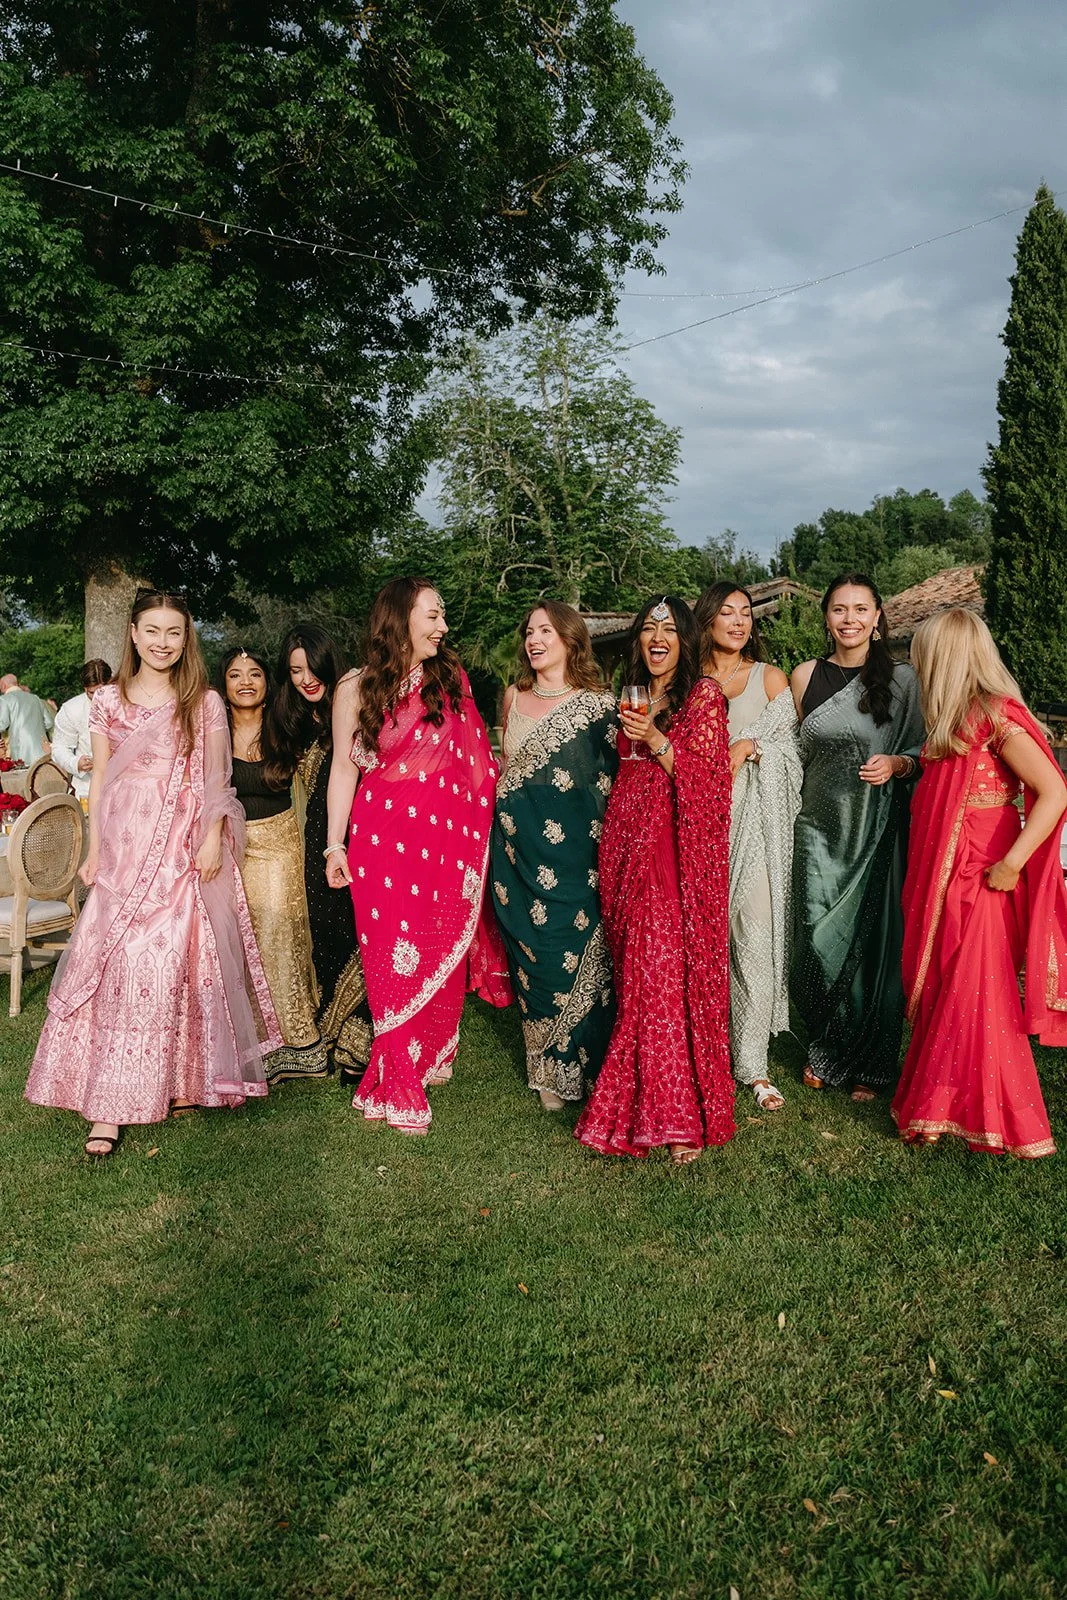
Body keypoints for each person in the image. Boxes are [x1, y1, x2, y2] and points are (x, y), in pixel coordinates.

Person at [25, 589, 279, 1156]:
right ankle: (107, 1108)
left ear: (185, 638)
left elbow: (218, 780)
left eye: (174, 632)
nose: (163, 643)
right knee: (115, 964)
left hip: (183, 846)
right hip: (124, 847)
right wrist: (93, 848)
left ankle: (182, 1081)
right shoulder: (108, 701)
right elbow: (103, 778)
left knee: (175, 961)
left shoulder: (203, 702)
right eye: (153, 631)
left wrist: (211, 839)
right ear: (134, 635)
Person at [325, 578, 499, 1135]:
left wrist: (481, 820)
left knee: (431, 946)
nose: (443, 626)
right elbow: (343, 770)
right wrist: (334, 844)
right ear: (400, 618)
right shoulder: (354, 687)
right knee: (390, 960)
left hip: (443, 844)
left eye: (443, 615)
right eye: (433, 615)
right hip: (379, 843)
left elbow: (475, 765)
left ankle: (428, 1053)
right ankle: (397, 1079)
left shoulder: (450, 682)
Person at [892, 609, 1066, 1158]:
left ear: (945, 659)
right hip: (949, 870)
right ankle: (946, 1103)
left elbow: (1054, 791)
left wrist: (1013, 862)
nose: (917, 664)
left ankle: (999, 1117)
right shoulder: (953, 718)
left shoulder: (995, 715)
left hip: (983, 874)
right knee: (952, 986)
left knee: (982, 993)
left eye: (924, 654)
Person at [575, 596, 734, 1165]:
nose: (657, 636)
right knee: (638, 978)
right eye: (648, 628)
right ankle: (644, 1101)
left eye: (669, 628)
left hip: (673, 851)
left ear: (687, 639)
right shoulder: (637, 696)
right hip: (626, 848)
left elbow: (709, 780)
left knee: (660, 976)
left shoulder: (703, 697)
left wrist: (659, 739)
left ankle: (678, 1119)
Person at [790, 573, 923, 1101]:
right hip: (816, 830)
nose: (849, 619)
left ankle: (871, 1060)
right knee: (815, 939)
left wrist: (897, 763)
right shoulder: (803, 676)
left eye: (860, 609)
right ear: (826, 618)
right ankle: (826, 1044)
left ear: (877, 617)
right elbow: (791, 753)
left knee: (875, 946)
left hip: (876, 831)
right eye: (839, 610)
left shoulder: (904, 680)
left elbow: (923, 749)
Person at [491, 602, 618, 1110]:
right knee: (534, 955)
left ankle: (585, 1063)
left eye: (546, 630)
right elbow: (504, 770)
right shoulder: (512, 697)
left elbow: (609, 781)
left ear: (570, 638)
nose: (534, 639)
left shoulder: (598, 704)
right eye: (529, 632)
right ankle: (546, 1069)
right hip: (516, 851)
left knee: (579, 948)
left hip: (578, 855)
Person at [696, 582, 801, 1111]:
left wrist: (753, 745)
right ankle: (705, 1052)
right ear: (708, 621)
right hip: (697, 828)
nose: (739, 622)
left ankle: (754, 1064)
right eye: (727, 613)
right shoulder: (689, 682)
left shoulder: (771, 678)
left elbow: (794, 752)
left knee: (754, 937)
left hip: (756, 827)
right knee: (704, 946)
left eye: (746, 614)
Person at [267, 626, 374, 1083]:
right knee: (326, 928)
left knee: (361, 928)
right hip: (316, 839)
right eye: (294, 671)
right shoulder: (291, 719)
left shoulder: (358, 701)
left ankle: (361, 1039)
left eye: (311, 667)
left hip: (364, 832)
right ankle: (330, 1031)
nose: (306, 678)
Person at [220, 646, 328, 1082]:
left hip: (281, 846)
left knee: (279, 937)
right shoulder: (211, 732)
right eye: (234, 674)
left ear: (268, 685)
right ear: (222, 686)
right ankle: (246, 1043)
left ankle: (295, 1044)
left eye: (255, 674)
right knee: (235, 945)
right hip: (228, 851)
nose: (245, 681)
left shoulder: (287, 729)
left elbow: (321, 778)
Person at [50, 659, 112, 801]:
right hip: (86, 788)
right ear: (84, 688)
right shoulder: (71, 709)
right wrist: (75, 763)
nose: (98, 697)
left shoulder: (126, 703)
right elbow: (59, 748)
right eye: (92, 692)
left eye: (102, 691)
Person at [0, 673, 54, 765]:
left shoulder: (4, 699)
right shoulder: (35, 698)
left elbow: (2, 724)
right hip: (42, 749)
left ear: (3, 686)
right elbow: (49, 723)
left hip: (20, 748)